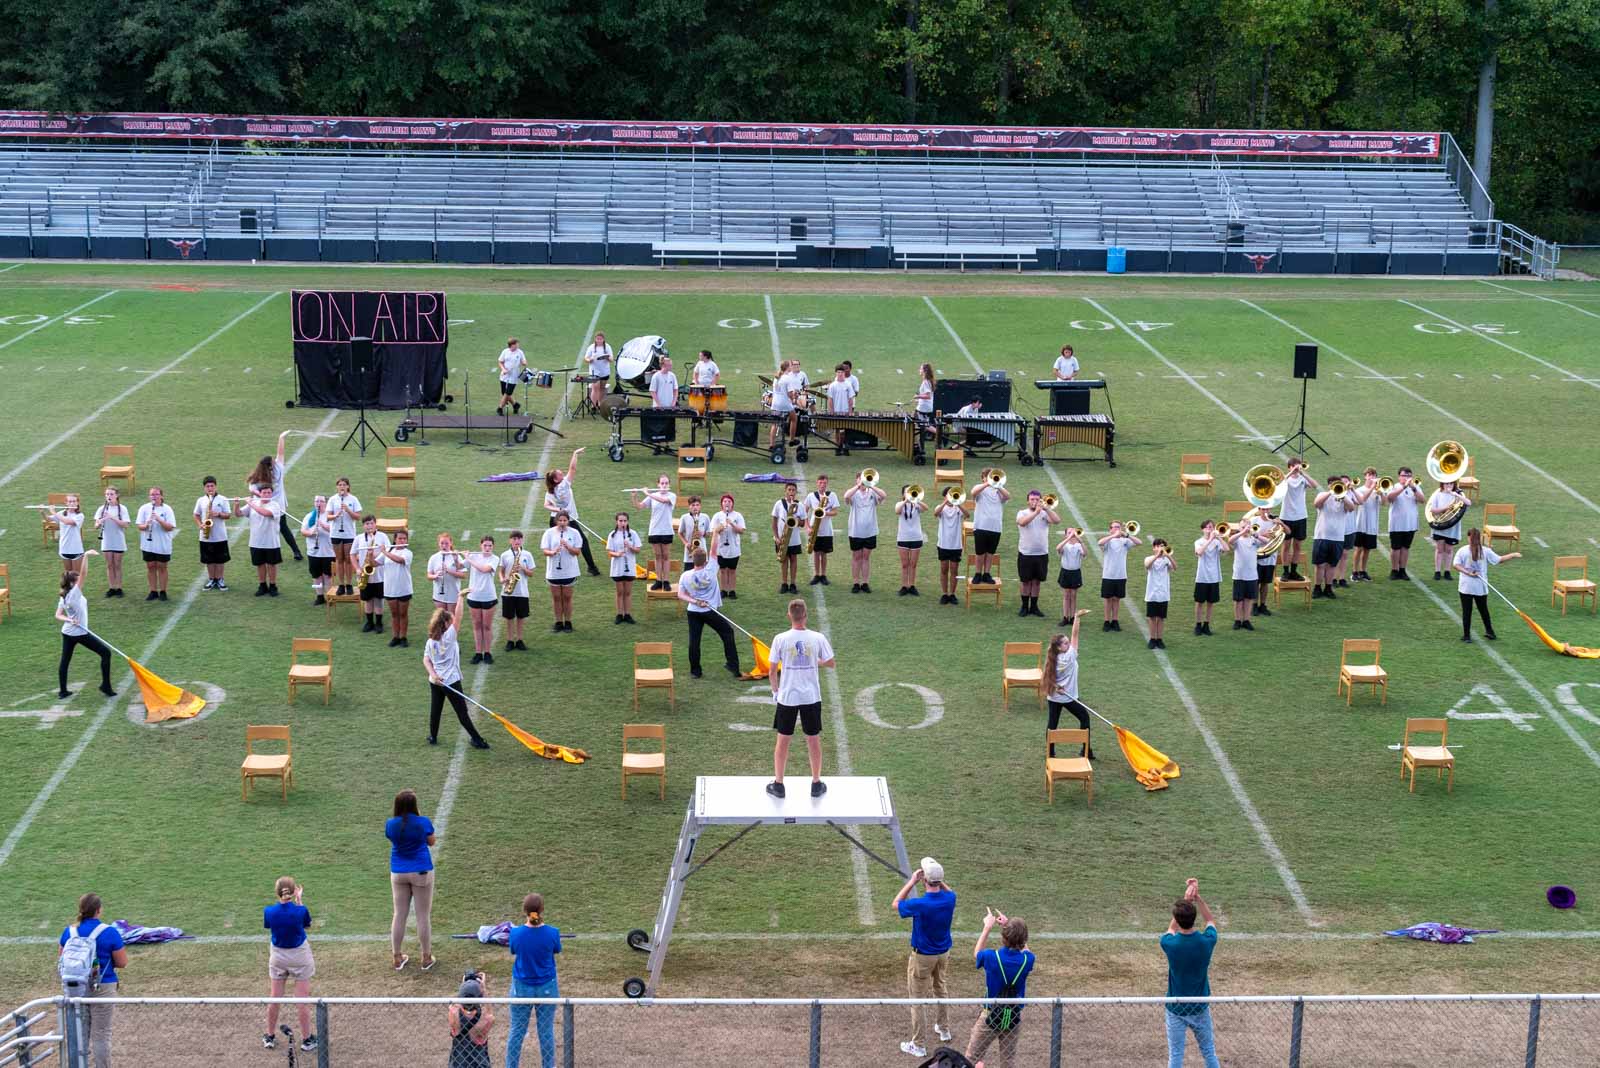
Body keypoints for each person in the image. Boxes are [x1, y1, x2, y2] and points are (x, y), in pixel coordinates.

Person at [767, 598, 835, 799]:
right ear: (806, 615)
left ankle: (779, 784)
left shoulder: (780, 639)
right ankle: (816, 783)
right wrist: (815, 661)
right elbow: (831, 663)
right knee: (813, 739)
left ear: (789, 615)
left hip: (787, 696)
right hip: (811, 696)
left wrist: (775, 691)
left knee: (783, 739)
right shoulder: (818, 638)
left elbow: (772, 671)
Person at [894, 857, 957, 1059]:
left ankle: (918, 1045)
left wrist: (912, 881)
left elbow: (896, 904)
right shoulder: (950, 898)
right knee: (941, 988)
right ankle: (944, 1029)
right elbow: (948, 891)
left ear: (924, 880)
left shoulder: (920, 904)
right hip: (943, 954)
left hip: (923, 957)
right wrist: (937, 878)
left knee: (917, 999)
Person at [59, 892, 127, 1068]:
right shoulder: (110, 932)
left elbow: (62, 959)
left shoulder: (69, 932)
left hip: (75, 987)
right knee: (101, 1034)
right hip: (103, 986)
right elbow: (122, 962)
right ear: (99, 910)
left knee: (79, 1033)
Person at [1161, 878, 1221, 1068]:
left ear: (1178, 919)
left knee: (1175, 1055)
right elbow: (1210, 920)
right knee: (1209, 1052)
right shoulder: (1207, 942)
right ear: (1194, 919)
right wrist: (1197, 898)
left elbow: (1171, 929)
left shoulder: (1169, 944)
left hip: (1175, 1008)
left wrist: (1186, 900)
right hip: (1200, 1007)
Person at [964, 909, 1035, 1068]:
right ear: (1024, 940)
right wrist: (1010, 927)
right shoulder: (1027, 960)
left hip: (990, 1015)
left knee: (971, 1058)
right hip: (1013, 1016)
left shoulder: (991, 957)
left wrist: (987, 927)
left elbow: (977, 953)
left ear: (1003, 938)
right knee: (1008, 1061)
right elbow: (1027, 951)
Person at [505, 893, 562, 1068]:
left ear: (525, 910)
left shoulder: (516, 934)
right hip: (547, 987)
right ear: (542, 909)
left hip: (521, 988)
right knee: (546, 1031)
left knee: (517, 1030)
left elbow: (513, 950)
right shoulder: (553, 933)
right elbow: (556, 949)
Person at [424, 601, 490, 749]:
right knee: (462, 713)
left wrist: (434, 675)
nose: (454, 621)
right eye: (451, 620)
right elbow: (459, 616)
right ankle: (478, 740)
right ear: (446, 624)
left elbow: (426, 660)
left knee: (435, 710)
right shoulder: (449, 637)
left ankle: (433, 737)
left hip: (435, 682)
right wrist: (460, 597)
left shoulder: (430, 641)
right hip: (451, 681)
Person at [261, 876, 317, 1053]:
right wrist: (299, 902)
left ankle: (269, 1036)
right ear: (294, 892)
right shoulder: (301, 910)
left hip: (278, 957)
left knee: (275, 997)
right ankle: (307, 1040)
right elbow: (306, 924)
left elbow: (270, 926)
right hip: (300, 957)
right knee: (302, 1000)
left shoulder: (269, 912)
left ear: (277, 892)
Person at [386, 788, 437, 972]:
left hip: (398, 871)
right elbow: (432, 841)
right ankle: (426, 957)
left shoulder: (391, 824)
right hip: (421, 870)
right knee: (423, 916)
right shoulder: (423, 822)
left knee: (399, 914)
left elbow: (394, 838)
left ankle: (397, 957)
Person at [678, 550, 742, 679]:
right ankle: (733, 665)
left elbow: (680, 595)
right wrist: (716, 536)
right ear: (706, 561)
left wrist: (695, 602)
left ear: (692, 560)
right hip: (709, 611)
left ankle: (695, 671)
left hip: (693, 611)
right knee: (728, 632)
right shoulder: (711, 570)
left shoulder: (685, 575)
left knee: (694, 641)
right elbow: (713, 550)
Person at [56, 563, 115, 700]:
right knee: (106, 653)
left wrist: (69, 619)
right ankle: (106, 686)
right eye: (77, 581)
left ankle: (63, 692)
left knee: (65, 661)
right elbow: (84, 574)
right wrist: (86, 556)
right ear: (72, 583)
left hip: (68, 633)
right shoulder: (73, 594)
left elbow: (58, 615)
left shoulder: (64, 594)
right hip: (79, 634)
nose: (80, 583)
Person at [1455, 528, 1520, 642]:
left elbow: (1456, 565)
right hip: (1480, 587)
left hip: (1465, 587)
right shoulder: (1485, 551)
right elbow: (1499, 560)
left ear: (1469, 538)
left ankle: (1467, 636)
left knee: (1467, 611)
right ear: (1479, 538)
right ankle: (1490, 632)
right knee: (1483, 610)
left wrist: (1467, 572)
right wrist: (1513, 554)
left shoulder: (1462, 550)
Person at [1043, 613, 1093, 757]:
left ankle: (1050, 753)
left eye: (1068, 642)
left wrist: (1056, 686)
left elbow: (1047, 677)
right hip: (1068, 697)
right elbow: (1075, 634)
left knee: (1052, 725)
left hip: (1054, 697)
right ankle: (1086, 751)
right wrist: (1077, 617)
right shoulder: (1070, 656)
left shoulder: (1052, 658)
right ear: (1059, 648)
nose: (1069, 644)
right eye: (1065, 643)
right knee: (1084, 718)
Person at [544, 449, 600, 576]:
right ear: (556, 480)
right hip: (566, 520)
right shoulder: (563, 485)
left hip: (554, 519)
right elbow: (573, 468)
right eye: (560, 474)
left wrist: (557, 509)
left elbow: (546, 505)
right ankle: (592, 568)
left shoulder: (550, 490)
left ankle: (556, 566)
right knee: (582, 541)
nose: (563, 474)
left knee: (556, 543)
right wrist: (575, 454)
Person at [249, 434, 303, 562]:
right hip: (278, 505)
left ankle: (265, 549)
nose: (275, 461)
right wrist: (281, 438)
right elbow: (281, 453)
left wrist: (259, 495)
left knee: (266, 527)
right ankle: (296, 551)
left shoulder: (258, 475)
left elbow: (251, 488)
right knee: (283, 528)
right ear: (271, 465)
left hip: (264, 505)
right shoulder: (278, 469)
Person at [1311, 478, 1356, 599]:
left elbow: (1352, 508)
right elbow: (1316, 504)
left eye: (1337, 485)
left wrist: (1343, 495)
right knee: (1319, 565)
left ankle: (1328, 588)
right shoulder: (1323, 495)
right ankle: (1317, 588)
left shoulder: (1344, 497)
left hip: (1337, 538)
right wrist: (1330, 492)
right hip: (1321, 536)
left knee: (1332, 565)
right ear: (1329, 485)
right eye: (1332, 484)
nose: (1335, 487)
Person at [1014, 490, 1056, 618]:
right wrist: (1036, 512)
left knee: (1037, 582)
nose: (1035, 501)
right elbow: (1022, 522)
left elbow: (1057, 520)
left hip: (1042, 553)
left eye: (1037, 499)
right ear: (1028, 501)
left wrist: (1047, 509)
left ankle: (1034, 607)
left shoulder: (1044, 513)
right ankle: (1024, 606)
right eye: (1032, 499)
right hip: (1026, 553)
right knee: (1025, 581)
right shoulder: (1022, 513)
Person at [843, 470, 886, 593]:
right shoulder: (854, 493)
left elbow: (884, 496)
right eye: (860, 479)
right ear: (856, 480)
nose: (862, 482)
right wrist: (858, 486)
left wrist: (871, 486)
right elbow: (846, 497)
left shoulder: (872, 492)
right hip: (855, 531)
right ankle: (856, 582)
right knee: (856, 557)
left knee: (866, 557)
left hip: (870, 531)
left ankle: (865, 583)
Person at [242, 484, 285, 598]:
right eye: (264, 492)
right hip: (256, 541)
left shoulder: (275, 505)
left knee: (272, 565)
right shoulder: (254, 502)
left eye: (269, 493)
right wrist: (237, 504)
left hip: (271, 542)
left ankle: (273, 586)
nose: (266, 495)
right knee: (260, 564)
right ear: (260, 493)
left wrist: (250, 503)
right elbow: (238, 514)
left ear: (271, 494)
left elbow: (265, 513)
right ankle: (262, 586)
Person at [541, 512, 582, 633]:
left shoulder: (574, 533)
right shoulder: (549, 533)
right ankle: (558, 622)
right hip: (554, 571)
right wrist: (553, 552)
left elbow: (577, 552)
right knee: (556, 598)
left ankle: (568, 622)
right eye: (560, 520)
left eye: (565, 520)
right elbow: (545, 551)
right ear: (556, 521)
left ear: (568, 521)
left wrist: (568, 546)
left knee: (567, 597)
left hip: (569, 571)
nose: (562, 523)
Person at [135, 486, 177, 601]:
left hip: (163, 545)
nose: (154, 496)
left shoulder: (167, 509)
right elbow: (139, 526)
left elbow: (170, 527)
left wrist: (159, 520)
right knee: (150, 567)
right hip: (148, 545)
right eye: (152, 494)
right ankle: (153, 591)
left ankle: (163, 591)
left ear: (161, 496)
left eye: (156, 494)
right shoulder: (144, 508)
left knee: (162, 567)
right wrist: (146, 525)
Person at [636, 476, 677, 591]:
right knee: (658, 556)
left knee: (666, 556)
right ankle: (659, 580)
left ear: (669, 484)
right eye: (662, 483)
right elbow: (639, 506)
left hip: (667, 530)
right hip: (654, 530)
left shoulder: (672, 496)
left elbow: (663, 501)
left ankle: (666, 581)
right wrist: (634, 496)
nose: (664, 485)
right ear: (658, 484)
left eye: (666, 483)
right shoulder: (653, 496)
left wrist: (647, 493)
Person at [1097, 521, 1141, 630]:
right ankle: (1106, 621)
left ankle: (1115, 621)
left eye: (1119, 527)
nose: (1117, 529)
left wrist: (1126, 535)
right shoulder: (1108, 541)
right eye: (1115, 527)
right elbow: (1100, 543)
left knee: (1117, 599)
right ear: (1110, 529)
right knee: (1108, 599)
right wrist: (1113, 536)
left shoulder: (1125, 541)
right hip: (1108, 575)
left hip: (1121, 575)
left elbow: (1139, 542)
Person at [969, 470, 1010, 586]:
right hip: (981, 526)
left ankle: (986, 573)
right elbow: (973, 492)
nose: (991, 479)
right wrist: (987, 483)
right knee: (980, 552)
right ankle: (978, 573)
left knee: (990, 552)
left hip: (995, 527)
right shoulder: (980, 488)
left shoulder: (999, 490)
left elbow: (1008, 496)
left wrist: (998, 486)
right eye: (987, 477)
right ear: (983, 478)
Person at [1278, 459, 1316, 581]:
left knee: (1298, 545)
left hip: (1300, 516)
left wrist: (1303, 473)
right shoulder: (1286, 479)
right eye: (1293, 466)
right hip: (1286, 516)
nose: (1296, 468)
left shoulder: (1302, 478)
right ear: (1289, 467)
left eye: (1297, 466)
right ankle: (1285, 571)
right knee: (1286, 545)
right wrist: (1291, 473)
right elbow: (1278, 484)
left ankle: (1294, 571)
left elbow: (1314, 485)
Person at [192, 476, 233, 591]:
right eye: (207, 486)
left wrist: (218, 514)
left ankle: (219, 579)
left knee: (220, 559)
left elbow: (228, 515)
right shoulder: (201, 500)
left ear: (216, 486)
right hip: (206, 535)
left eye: (212, 486)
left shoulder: (223, 499)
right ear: (204, 488)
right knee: (209, 559)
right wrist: (200, 524)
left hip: (220, 535)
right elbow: (196, 514)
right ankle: (211, 579)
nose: (210, 488)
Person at [1385, 466, 1426, 580]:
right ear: (1399, 477)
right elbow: (1390, 498)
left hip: (1410, 523)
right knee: (1395, 548)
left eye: (1409, 476)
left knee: (1405, 548)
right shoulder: (1394, 486)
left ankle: (1402, 570)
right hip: (1396, 523)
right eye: (1404, 475)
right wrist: (1404, 487)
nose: (1406, 478)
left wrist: (1413, 488)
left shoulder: (1415, 487)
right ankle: (1394, 570)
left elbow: (1422, 500)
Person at [450, 972, 495, 1068]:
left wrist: (464, 986)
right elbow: (490, 1014)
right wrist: (483, 989)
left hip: (457, 1063)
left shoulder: (453, 1013)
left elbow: (456, 1003)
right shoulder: (485, 1020)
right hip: (479, 1064)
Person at [499, 531, 535, 651]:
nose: (517, 541)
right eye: (514, 539)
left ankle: (519, 640)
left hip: (522, 592)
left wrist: (523, 568)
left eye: (519, 539)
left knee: (521, 617)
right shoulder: (505, 555)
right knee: (509, 617)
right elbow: (501, 571)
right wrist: (502, 579)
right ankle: (510, 640)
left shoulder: (527, 555)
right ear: (510, 540)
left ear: (522, 540)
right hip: (508, 591)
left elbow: (531, 573)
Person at [352, 513, 391, 624]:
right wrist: (357, 568)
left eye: (371, 523)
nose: (369, 526)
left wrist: (375, 557)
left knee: (379, 600)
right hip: (365, 574)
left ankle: (379, 623)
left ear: (375, 524)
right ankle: (369, 623)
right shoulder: (359, 538)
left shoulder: (383, 536)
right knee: (368, 600)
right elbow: (352, 554)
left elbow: (388, 551)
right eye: (367, 524)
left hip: (380, 574)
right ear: (363, 525)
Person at [463, 536, 498, 660]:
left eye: (490, 546)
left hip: (488, 597)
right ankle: (478, 653)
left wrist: (468, 558)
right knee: (477, 625)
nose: (487, 548)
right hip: (474, 596)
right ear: (481, 545)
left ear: (493, 546)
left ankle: (487, 652)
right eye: (485, 545)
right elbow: (459, 566)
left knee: (487, 626)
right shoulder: (473, 556)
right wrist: (457, 557)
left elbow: (484, 569)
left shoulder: (495, 559)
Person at [1428, 480, 1471, 581]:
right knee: (1439, 549)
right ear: (1442, 484)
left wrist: (1457, 495)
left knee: (1449, 550)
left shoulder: (1457, 495)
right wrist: (1445, 509)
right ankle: (1437, 571)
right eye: (1446, 483)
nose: (1449, 485)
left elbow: (1468, 503)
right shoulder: (1437, 494)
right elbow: (1432, 510)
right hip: (1440, 525)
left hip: (1452, 527)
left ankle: (1447, 571)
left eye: (1451, 483)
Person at [326, 478, 362, 595]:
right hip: (336, 533)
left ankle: (349, 584)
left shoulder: (353, 499)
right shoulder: (333, 499)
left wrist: (348, 510)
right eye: (340, 485)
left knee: (348, 559)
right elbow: (328, 516)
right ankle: (341, 585)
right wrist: (335, 515)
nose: (342, 487)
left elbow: (358, 517)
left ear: (348, 486)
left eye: (344, 485)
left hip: (349, 533)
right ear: (337, 487)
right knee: (339, 559)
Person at [803, 474, 840, 586]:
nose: (822, 485)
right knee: (816, 553)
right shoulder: (811, 496)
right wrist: (807, 527)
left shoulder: (832, 495)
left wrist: (825, 513)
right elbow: (804, 512)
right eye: (820, 482)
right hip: (814, 529)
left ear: (827, 484)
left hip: (827, 530)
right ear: (817, 483)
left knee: (824, 553)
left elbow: (835, 512)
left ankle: (823, 575)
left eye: (824, 483)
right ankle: (816, 575)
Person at [93, 487, 130, 597]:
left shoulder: (122, 508)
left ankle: (119, 588)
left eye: (111, 494)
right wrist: (100, 522)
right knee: (109, 565)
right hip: (106, 540)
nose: (109, 496)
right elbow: (96, 526)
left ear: (117, 495)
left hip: (118, 540)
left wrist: (112, 517)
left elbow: (126, 525)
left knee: (117, 565)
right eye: (107, 494)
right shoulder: (101, 509)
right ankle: (111, 588)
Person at [607, 512, 642, 624]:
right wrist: (617, 554)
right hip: (618, 568)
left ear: (627, 521)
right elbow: (609, 552)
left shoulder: (633, 534)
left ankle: (627, 614)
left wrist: (630, 546)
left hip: (629, 567)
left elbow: (638, 550)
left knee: (627, 592)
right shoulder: (612, 535)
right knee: (620, 592)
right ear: (616, 522)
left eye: (625, 521)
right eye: (620, 521)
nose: (623, 523)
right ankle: (619, 614)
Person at [382, 529, 415, 648]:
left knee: (403, 614)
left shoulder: (408, 553)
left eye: (404, 538)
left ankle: (403, 637)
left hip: (403, 588)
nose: (402, 540)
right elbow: (374, 563)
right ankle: (395, 637)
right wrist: (370, 554)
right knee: (394, 614)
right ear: (395, 539)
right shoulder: (389, 550)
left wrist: (384, 552)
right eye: (400, 538)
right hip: (390, 588)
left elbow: (400, 560)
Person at [1191, 521, 1225, 636]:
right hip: (1202, 577)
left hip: (1214, 577)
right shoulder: (1198, 542)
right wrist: (1210, 540)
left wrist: (1219, 538)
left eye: (1212, 527)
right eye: (1208, 527)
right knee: (1199, 602)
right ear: (1203, 529)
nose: (1210, 529)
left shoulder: (1217, 542)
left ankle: (1206, 625)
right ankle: (1198, 625)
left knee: (1211, 603)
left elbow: (1226, 549)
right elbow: (1199, 552)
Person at [1250, 509, 1285, 620]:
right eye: (1263, 508)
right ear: (1259, 509)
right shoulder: (1254, 520)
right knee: (1256, 582)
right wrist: (1263, 534)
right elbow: (1250, 535)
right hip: (1256, 555)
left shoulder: (1274, 521)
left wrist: (1280, 523)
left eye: (1268, 508)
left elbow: (1287, 532)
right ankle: (1254, 605)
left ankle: (1263, 605)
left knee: (1265, 583)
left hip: (1270, 557)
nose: (1266, 511)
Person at [710, 494, 746, 599]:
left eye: (729, 502)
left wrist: (732, 524)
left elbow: (741, 531)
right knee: (722, 570)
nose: (727, 503)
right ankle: (724, 590)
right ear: (722, 504)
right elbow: (712, 531)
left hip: (734, 548)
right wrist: (721, 527)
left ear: (732, 504)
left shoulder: (737, 515)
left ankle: (732, 590)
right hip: (720, 548)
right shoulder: (717, 516)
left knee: (732, 570)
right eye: (725, 501)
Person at [300, 495, 334, 604]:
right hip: (313, 552)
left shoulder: (330, 516)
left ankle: (330, 596)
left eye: (321, 501)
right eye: (317, 501)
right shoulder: (309, 516)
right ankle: (319, 596)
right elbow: (303, 531)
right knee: (316, 576)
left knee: (328, 576)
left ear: (326, 503)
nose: (319, 503)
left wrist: (322, 525)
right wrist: (311, 532)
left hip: (328, 552)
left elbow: (334, 530)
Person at [933, 489, 966, 605]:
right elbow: (936, 513)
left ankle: (952, 594)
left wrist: (958, 504)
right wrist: (944, 503)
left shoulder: (958, 508)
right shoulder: (941, 507)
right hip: (943, 544)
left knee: (954, 570)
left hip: (956, 545)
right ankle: (944, 593)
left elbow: (967, 515)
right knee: (944, 569)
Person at [771, 482, 804, 594]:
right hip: (782, 538)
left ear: (796, 492)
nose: (791, 492)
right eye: (789, 490)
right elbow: (774, 522)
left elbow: (803, 523)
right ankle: (784, 583)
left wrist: (797, 520)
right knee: (784, 560)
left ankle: (793, 584)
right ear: (785, 491)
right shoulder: (779, 504)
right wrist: (776, 537)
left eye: (793, 490)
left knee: (794, 560)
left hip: (794, 539)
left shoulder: (800, 505)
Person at [1226, 522, 1260, 630]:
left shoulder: (1254, 539)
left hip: (1252, 575)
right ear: (1239, 528)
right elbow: (1230, 541)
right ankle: (1237, 620)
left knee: (1249, 599)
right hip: (1239, 575)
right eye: (1243, 527)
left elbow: (1267, 542)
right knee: (1238, 600)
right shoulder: (1238, 540)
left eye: (1247, 527)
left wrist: (1257, 535)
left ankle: (1246, 620)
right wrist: (1242, 532)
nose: (1246, 529)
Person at [1350, 467, 1382, 582]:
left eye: (1374, 475)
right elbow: (1362, 500)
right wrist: (1373, 487)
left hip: (1372, 524)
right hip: (1361, 523)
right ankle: (1354, 571)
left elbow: (1385, 502)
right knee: (1358, 548)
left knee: (1367, 549)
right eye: (1369, 475)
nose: (1372, 477)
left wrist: (1382, 493)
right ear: (1365, 476)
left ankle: (1363, 571)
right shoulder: (1360, 490)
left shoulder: (1378, 490)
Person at [895, 487, 927, 596]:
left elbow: (926, 508)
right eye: (906, 492)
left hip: (916, 537)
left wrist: (917, 500)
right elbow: (897, 511)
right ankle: (904, 586)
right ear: (903, 494)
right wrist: (905, 501)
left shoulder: (916, 504)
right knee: (905, 564)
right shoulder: (900, 504)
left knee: (913, 564)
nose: (909, 494)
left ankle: (912, 586)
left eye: (910, 492)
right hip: (903, 537)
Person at [1144, 539, 1175, 649]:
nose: (1160, 548)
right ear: (1153, 548)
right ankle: (1152, 639)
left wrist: (1168, 556)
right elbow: (1147, 566)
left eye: (1162, 546)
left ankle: (1160, 639)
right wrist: (1157, 556)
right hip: (1152, 594)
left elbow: (1175, 567)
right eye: (1157, 546)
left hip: (1163, 594)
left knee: (1161, 618)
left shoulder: (1166, 560)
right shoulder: (1149, 558)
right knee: (1152, 618)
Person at [1054, 526, 1086, 625]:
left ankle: (1072, 617)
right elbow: (1058, 548)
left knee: (1073, 595)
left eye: (1073, 532)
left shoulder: (1078, 545)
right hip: (1065, 572)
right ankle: (1065, 617)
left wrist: (1080, 540)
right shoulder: (1065, 545)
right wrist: (1068, 538)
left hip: (1075, 572)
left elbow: (1085, 553)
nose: (1072, 534)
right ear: (1065, 535)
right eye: (1069, 532)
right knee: (1066, 595)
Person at [428, 534, 469, 610]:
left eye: (446, 543)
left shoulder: (456, 556)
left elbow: (463, 575)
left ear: (451, 543)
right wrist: (435, 576)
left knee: (451, 616)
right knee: (441, 616)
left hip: (453, 595)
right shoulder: (433, 558)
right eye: (442, 543)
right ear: (439, 544)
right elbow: (429, 576)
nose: (444, 546)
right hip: (438, 595)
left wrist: (448, 571)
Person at [53, 491, 87, 578]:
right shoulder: (61, 513)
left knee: (76, 576)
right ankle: (68, 588)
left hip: (76, 549)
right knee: (67, 576)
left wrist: (54, 512)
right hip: (64, 548)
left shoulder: (80, 515)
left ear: (77, 502)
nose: (72, 503)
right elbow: (49, 519)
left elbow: (68, 522)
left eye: (74, 501)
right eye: (70, 501)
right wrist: (42, 511)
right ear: (66, 503)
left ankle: (77, 588)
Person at [677, 495, 711, 568]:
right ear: (689, 506)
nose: (695, 507)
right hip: (690, 551)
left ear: (700, 506)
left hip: (702, 551)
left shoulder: (705, 517)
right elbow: (680, 533)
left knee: (703, 573)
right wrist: (686, 543)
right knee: (688, 572)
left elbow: (709, 534)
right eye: (693, 505)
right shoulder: (684, 517)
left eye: (697, 505)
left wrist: (703, 533)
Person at [582, 330, 613, 409]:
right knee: (595, 388)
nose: (599, 340)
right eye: (597, 339)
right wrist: (590, 360)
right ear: (595, 339)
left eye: (600, 339)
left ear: (603, 339)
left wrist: (607, 358)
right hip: (594, 371)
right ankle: (593, 405)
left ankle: (599, 404)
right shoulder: (591, 347)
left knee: (602, 388)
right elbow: (586, 358)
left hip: (604, 371)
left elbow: (611, 359)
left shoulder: (607, 347)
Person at [826, 365, 854, 454]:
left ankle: (845, 446)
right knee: (837, 429)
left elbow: (850, 399)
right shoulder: (832, 385)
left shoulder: (848, 384)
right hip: (836, 411)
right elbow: (830, 399)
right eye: (838, 372)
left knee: (845, 430)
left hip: (845, 411)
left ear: (844, 373)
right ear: (836, 373)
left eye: (841, 372)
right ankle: (838, 447)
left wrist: (850, 411)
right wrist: (831, 410)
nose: (840, 374)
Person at [497, 337, 527, 416]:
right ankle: (515, 405)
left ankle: (500, 408)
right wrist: (503, 369)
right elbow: (500, 362)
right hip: (504, 375)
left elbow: (524, 361)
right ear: (512, 345)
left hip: (514, 376)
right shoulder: (505, 351)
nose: (518, 345)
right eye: (517, 344)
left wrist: (524, 362)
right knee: (504, 393)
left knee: (508, 393)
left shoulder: (520, 352)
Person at [914, 363, 936, 434]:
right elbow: (927, 395)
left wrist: (918, 396)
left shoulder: (926, 381)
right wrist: (918, 399)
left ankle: (939, 433)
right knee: (923, 424)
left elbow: (928, 396)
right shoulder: (928, 381)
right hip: (927, 407)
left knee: (923, 424)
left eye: (921, 369)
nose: (919, 370)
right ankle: (922, 438)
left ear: (924, 371)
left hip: (924, 408)